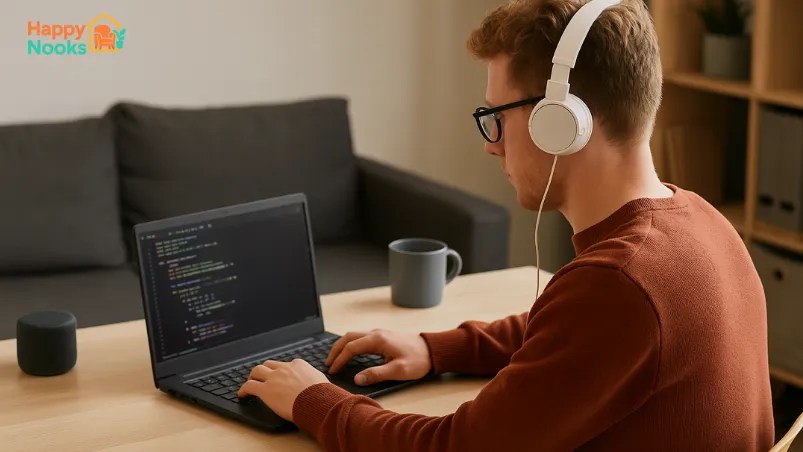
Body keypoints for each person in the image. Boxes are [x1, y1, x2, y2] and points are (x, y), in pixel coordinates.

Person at [237, 0, 775, 449]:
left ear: (561, 122)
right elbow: (562, 333)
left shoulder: (620, 284)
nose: (492, 144)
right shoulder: (699, 220)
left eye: (498, 116)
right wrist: (437, 349)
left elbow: (453, 448)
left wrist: (314, 399)